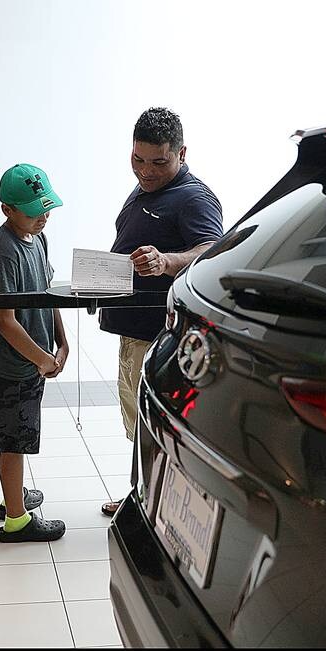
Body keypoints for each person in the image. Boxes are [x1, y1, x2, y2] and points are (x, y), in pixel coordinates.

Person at [98, 107, 223, 516]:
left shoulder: (193, 197)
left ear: (182, 153)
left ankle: (152, 502)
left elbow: (212, 248)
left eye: (158, 162)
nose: (146, 171)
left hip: (161, 333)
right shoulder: (145, 189)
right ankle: (142, 492)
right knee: (135, 418)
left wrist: (168, 261)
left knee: (154, 422)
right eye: (138, 159)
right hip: (132, 327)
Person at [0, 164, 70, 542]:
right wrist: (39, 358)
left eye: (47, 209)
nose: (43, 218)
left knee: (22, 433)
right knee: (13, 442)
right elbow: (5, 321)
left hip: (36, 359)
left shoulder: (40, 239)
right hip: (15, 366)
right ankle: (16, 520)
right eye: (34, 212)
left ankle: (13, 495)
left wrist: (61, 342)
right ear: (7, 210)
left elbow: (47, 295)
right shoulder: (3, 252)